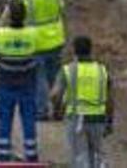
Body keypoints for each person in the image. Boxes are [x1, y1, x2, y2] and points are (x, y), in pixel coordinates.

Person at [51, 35, 114, 168]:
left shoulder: (68, 70)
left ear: (74, 50)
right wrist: (109, 121)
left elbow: (55, 95)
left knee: (79, 156)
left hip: (76, 119)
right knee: (97, 155)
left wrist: (57, 111)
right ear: (91, 50)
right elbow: (110, 99)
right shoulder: (102, 70)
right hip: (98, 118)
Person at [0, 0, 39, 162]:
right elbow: (32, 26)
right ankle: (31, 154)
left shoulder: (1, 35)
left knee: (4, 119)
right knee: (28, 120)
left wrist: (5, 12)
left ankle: (3, 154)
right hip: (27, 84)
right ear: (24, 16)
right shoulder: (33, 34)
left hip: (6, 83)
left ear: (9, 16)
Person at [22, 0, 66, 121]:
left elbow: (21, 17)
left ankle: (41, 111)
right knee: (55, 77)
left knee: (39, 78)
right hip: (56, 41)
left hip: (37, 43)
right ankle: (58, 110)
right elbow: (62, 10)